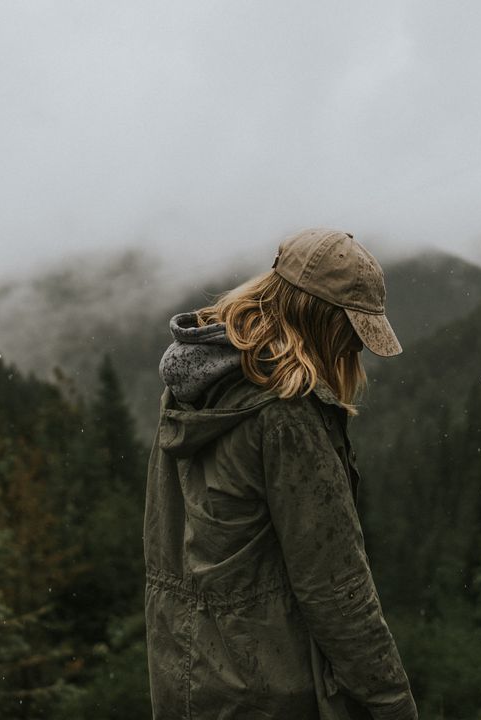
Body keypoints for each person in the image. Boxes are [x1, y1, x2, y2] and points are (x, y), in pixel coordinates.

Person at [144, 228, 419, 720]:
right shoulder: (286, 417)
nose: (354, 352)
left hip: (185, 681)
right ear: (324, 322)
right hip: (269, 691)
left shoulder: (191, 389)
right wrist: (393, 704)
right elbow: (336, 589)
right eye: (352, 335)